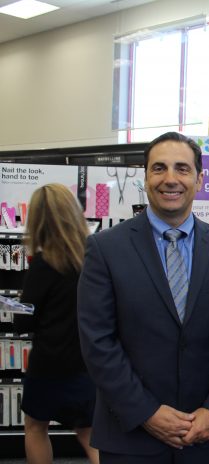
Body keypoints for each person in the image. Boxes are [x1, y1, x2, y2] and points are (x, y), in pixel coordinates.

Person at [77, 132, 209, 464]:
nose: (170, 179)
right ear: (145, 177)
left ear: (199, 179)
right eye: (159, 168)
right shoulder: (105, 249)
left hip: (205, 436)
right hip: (132, 435)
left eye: (182, 169)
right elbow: (97, 340)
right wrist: (146, 412)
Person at [13, 183, 99, 464]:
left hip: (48, 365)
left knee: (36, 426)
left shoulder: (43, 264)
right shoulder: (94, 257)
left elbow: (23, 318)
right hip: (86, 362)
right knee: (89, 433)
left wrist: (13, 303)